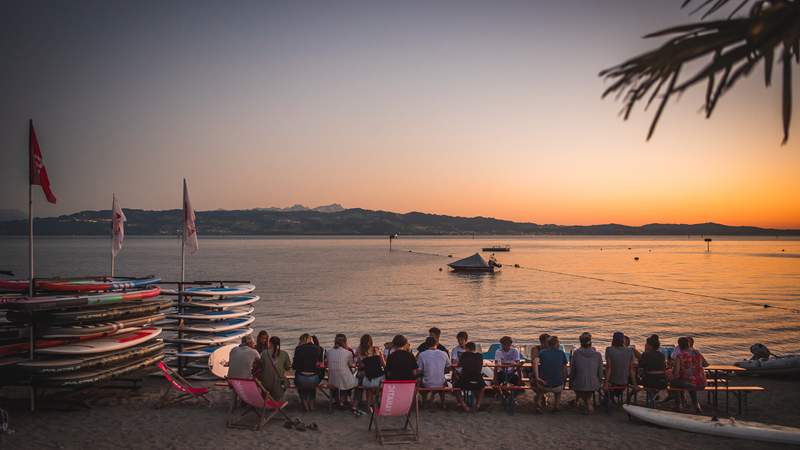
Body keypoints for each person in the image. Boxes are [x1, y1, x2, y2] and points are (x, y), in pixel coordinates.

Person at [672, 336, 707, 413]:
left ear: (679, 346)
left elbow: (676, 374)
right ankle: (696, 405)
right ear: (688, 344)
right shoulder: (697, 352)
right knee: (690, 382)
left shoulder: (680, 356)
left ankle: (678, 405)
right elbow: (706, 364)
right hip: (702, 383)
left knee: (674, 382)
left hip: (691, 383)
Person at [570, 332, 602, 414]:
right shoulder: (598, 355)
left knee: (580, 383)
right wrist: (599, 381)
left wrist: (570, 381)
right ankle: (578, 401)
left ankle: (587, 402)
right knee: (587, 384)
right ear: (591, 342)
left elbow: (573, 371)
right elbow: (600, 372)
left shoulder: (576, 353)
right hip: (594, 384)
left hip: (579, 384)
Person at [326, 333, 359, 412]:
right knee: (355, 382)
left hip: (332, 378)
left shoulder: (329, 352)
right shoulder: (348, 353)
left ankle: (338, 400)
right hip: (343, 378)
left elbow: (327, 363)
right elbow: (351, 365)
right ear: (345, 342)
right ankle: (344, 401)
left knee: (341, 381)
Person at [534, 335, 568, 412]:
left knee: (540, 390)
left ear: (548, 344)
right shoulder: (561, 353)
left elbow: (535, 362)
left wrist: (537, 377)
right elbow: (565, 370)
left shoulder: (542, 352)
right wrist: (564, 381)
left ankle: (538, 404)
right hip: (557, 385)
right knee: (558, 392)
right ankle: (556, 405)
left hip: (544, 384)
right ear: (557, 344)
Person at [417, 336, 451, 407]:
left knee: (420, 381)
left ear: (426, 344)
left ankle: (424, 400)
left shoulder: (422, 354)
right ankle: (443, 402)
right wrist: (441, 371)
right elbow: (449, 367)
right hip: (440, 383)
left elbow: (419, 370)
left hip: (427, 384)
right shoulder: (444, 353)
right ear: (437, 344)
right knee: (442, 381)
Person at [293, 333, 323, 411]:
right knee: (312, 386)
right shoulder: (319, 349)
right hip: (314, 379)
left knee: (301, 387)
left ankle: (305, 403)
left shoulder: (298, 349)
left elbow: (294, 366)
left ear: (302, 340)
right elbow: (320, 365)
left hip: (301, 379)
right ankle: (312, 404)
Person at [604, 331, 635, 405]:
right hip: (624, 382)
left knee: (605, 374)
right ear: (622, 341)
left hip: (613, 382)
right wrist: (635, 384)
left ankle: (609, 398)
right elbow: (631, 370)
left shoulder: (609, 349)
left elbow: (609, 368)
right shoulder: (630, 351)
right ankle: (612, 398)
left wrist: (606, 382)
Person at [455, 342, 486, 412]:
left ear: (467, 348)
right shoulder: (480, 356)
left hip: (466, 380)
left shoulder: (464, 354)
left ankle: (464, 405)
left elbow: (459, 365)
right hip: (477, 381)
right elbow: (480, 368)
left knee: (455, 388)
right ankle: (478, 404)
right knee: (483, 387)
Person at [638, 334, 668, 408]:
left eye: (647, 344)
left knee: (644, 377)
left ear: (650, 345)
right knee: (649, 376)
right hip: (662, 381)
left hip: (650, 381)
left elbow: (640, 365)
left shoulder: (646, 354)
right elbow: (664, 367)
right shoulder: (661, 355)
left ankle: (650, 401)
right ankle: (652, 400)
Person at [356, 334, 386, 407]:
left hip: (368, 381)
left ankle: (369, 405)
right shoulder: (377, 349)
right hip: (380, 381)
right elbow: (384, 365)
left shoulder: (360, 352)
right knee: (382, 387)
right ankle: (381, 404)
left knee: (368, 390)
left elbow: (360, 366)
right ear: (371, 341)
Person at [259, 336, 291, 400]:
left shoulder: (264, 353)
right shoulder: (284, 353)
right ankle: (276, 402)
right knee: (286, 382)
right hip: (279, 385)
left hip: (266, 384)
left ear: (270, 343)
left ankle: (269, 401)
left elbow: (261, 366)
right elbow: (288, 368)